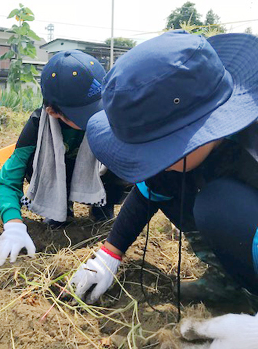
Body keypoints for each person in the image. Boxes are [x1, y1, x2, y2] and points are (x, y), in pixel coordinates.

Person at [70, 31, 258, 316]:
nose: (153, 160)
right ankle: (227, 278)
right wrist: (109, 254)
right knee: (169, 180)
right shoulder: (186, 155)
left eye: (159, 147)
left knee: (220, 206)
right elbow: (147, 192)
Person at [0, 50, 128, 266]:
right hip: (59, 174)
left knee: (125, 158)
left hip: (98, 171)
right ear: (53, 111)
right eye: (85, 114)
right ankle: (59, 207)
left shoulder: (109, 115)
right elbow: (8, 180)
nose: (96, 118)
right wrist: (14, 224)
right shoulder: (37, 127)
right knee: (36, 165)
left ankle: (103, 203)